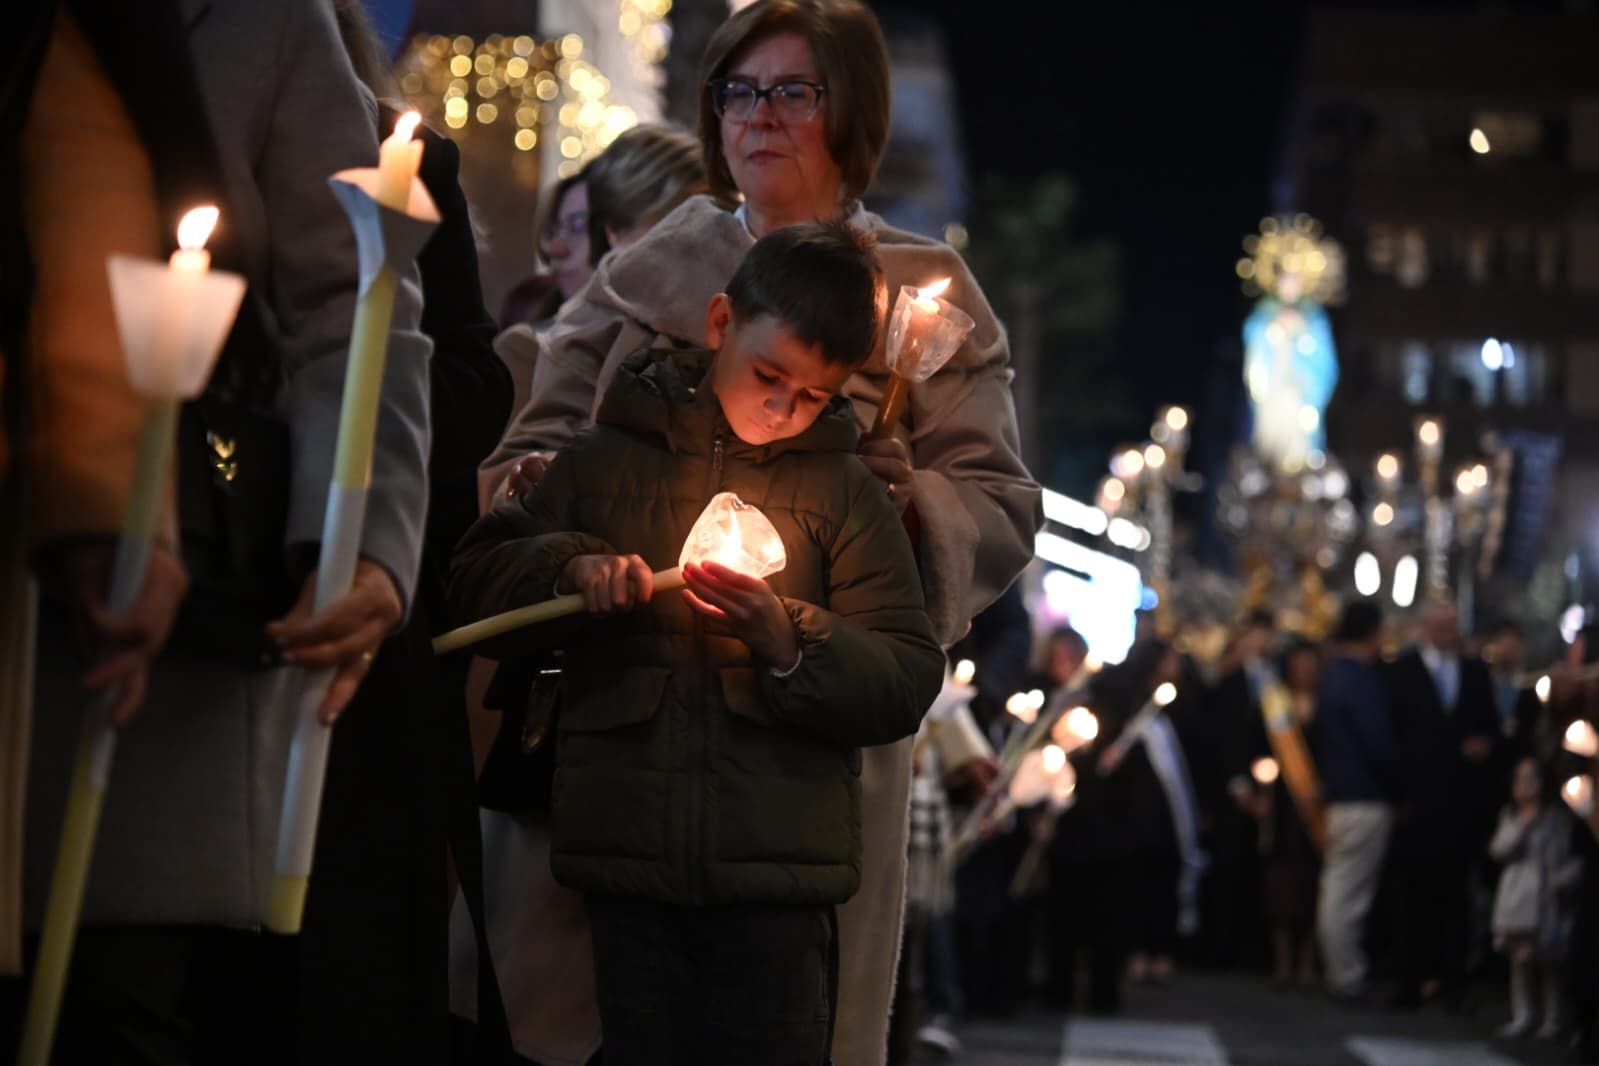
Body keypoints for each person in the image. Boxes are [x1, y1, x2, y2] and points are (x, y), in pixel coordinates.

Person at [478, 3, 1041, 1061]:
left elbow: (997, 499)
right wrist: (549, 493)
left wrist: (905, 496)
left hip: (805, 728)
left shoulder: (924, 294)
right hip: (631, 712)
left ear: (854, 111)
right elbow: (535, 440)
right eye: (738, 91)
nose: (758, 117)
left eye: (793, 92)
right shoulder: (651, 270)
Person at [8, 1, 432, 1060]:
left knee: (111, 995)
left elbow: (356, 303)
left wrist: (365, 538)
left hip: (165, 599)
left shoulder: (265, 22)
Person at [448, 220, 945, 1064]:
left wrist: (787, 638)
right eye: (769, 375)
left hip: (780, 881)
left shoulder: (845, 494)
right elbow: (472, 579)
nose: (782, 409)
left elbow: (903, 675)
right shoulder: (607, 460)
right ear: (720, 323)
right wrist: (572, 571)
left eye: (815, 396)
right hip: (624, 868)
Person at [1386, 599, 1500, 1010]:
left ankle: (1452, 981)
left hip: (1459, 805)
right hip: (1417, 803)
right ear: (1425, 627)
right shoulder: (1402, 671)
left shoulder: (1474, 671)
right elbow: (1391, 737)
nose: (1448, 631)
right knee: (1412, 897)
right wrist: (1398, 795)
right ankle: (1410, 978)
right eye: (1441, 624)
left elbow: (1489, 726)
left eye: (1453, 624)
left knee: (1456, 898)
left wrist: (1483, 745)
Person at [1309, 601, 1399, 1003]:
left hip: (1342, 792)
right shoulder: (1357, 679)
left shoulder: (1332, 677)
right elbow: (1376, 738)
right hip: (1362, 793)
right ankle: (1346, 973)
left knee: (1340, 886)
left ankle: (1340, 968)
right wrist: (1396, 782)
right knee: (1348, 890)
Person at [1489, 756, 1585, 1039]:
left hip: (1547, 896)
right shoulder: (1510, 816)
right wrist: (1523, 825)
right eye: (1519, 779)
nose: (1524, 785)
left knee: (1550, 960)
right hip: (1517, 897)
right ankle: (1523, 1015)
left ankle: (1553, 1018)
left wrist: (1562, 881)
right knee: (1520, 959)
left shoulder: (1559, 820)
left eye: (1531, 778)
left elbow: (1574, 859)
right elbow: (1499, 850)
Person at [1248, 638, 1323, 990]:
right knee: (1281, 888)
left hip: (1316, 807)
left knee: (1312, 887)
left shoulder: (1327, 705)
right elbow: (1255, 748)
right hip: (1281, 806)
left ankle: (1308, 963)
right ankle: (1282, 962)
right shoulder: (1276, 704)